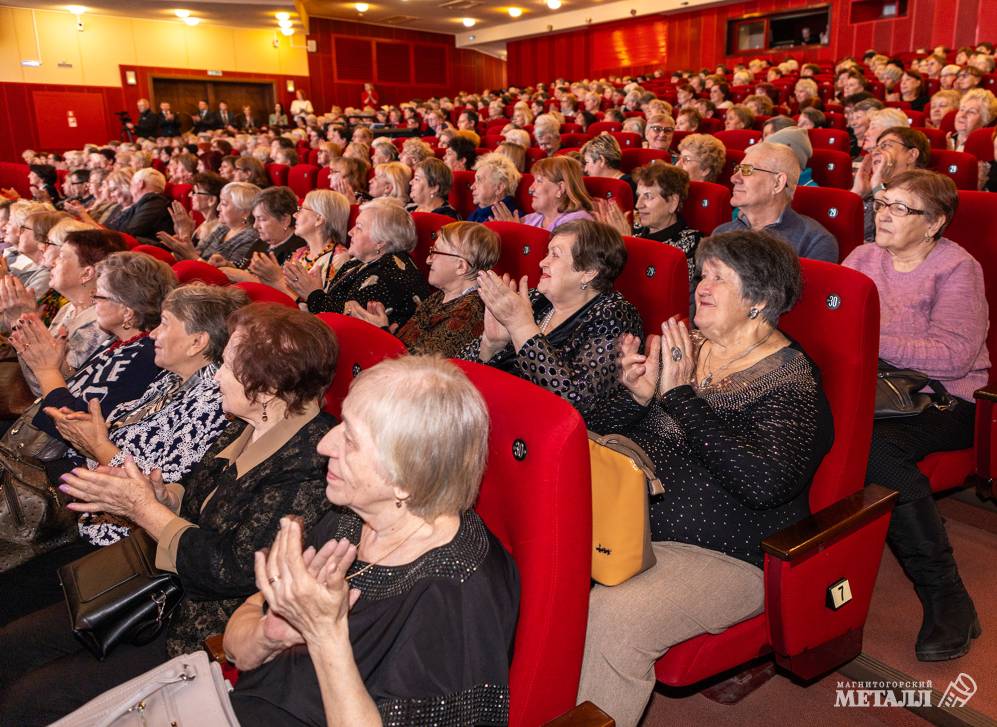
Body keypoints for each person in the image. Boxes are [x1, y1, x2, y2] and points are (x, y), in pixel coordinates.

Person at [0, 304, 339, 726]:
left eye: (229, 367)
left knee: (31, 701)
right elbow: (198, 495)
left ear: (266, 389)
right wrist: (160, 494)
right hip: (158, 586)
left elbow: (231, 569)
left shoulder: (309, 464)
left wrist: (143, 509)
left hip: (199, 625)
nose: (215, 376)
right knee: (12, 646)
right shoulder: (248, 422)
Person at [577, 230, 832, 726]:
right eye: (703, 273)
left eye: (719, 276)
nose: (701, 285)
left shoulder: (790, 381)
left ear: (758, 299)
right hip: (631, 525)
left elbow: (764, 485)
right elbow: (606, 427)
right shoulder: (689, 346)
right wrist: (635, 394)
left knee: (613, 620)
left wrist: (679, 400)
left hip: (727, 554)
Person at [220, 355, 518, 725]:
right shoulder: (350, 520)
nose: (325, 444)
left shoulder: (456, 593)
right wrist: (271, 634)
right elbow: (237, 646)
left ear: (405, 480)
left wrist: (325, 635)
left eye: (351, 438)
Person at [0, 284, 250, 625]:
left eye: (164, 324)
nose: (154, 334)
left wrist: (97, 444)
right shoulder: (173, 380)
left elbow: (156, 485)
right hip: (87, 510)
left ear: (198, 342)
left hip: (119, 543)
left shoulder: (212, 402)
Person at [843, 170, 987, 662]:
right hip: (872, 391)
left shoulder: (957, 268)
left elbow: (954, 357)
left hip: (944, 399)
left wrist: (868, 334)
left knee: (874, 451)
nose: (883, 214)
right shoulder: (863, 256)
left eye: (900, 208)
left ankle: (946, 594)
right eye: (882, 202)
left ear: (934, 224)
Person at [460, 220, 642, 424]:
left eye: (555, 254)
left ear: (588, 272)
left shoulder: (614, 315)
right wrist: (490, 345)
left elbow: (574, 402)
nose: (542, 262)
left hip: (549, 435)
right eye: (547, 253)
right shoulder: (538, 300)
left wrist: (521, 327)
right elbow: (459, 368)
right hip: (493, 412)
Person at [346, 221, 500, 357]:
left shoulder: (469, 312)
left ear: (460, 266)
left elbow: (419, 369)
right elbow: (405, 345)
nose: (428, 260)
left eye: (435, 252)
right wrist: (384, 331)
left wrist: (380, 332)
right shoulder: (440, 296)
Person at [6, 229, 126, 398]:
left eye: (62, 256)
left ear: (86, 273)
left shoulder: (99, 323)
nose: (53, 262)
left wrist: (20, 322)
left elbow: (45, 388)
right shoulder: (69, 308)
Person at [286, 198, 431, 327]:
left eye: (359, 227)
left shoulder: (388, 274)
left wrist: (313, 294)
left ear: (380, 242)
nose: (350, 232)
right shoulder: (358, 261)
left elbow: (348, 325)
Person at [713, 142, 837, 262]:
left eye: (747, 170)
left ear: (778, 183)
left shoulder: (814, 242)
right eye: (737, 169)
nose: (734, 178)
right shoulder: (721, 233)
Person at [595, 163, 702, 290]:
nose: (638, 205)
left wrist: (627, 245)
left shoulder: (692, 244)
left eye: (648, 197)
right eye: (638, 196)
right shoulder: (634, 228)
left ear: (673, 202)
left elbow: (658, 293)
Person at [250, 189, 351, 297]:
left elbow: (318, 308)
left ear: (319, 219)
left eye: (301, 210)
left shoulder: (338, 259)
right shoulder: (301, 253)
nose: (294, 215)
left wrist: (277, 279)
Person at [852, 127, 931, 240]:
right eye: (875, 147)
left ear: (912, 155)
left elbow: (894, 240)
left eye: (885, 146)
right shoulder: (871, 189)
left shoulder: (925, 191)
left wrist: (877, 188)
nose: (875, 152)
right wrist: (856, 193)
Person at [495, 157, 594, 231]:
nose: (530, 188)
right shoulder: (530, 219)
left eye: (539, 181)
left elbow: (556, 256)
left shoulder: (579, 222)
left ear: (560, 188)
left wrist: (517, 233)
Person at [174, 181, 260, 267]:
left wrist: (190, 255)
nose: (218, 208)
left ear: (245, 212)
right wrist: (179, 247)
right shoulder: (223, 228)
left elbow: (229, 275)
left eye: (224, 204)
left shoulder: (251, 238)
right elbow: (196, 253)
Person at [156, 171, 225, 255]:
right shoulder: (206, 223)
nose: (190, 195)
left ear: (211, 200)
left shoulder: (217, 229)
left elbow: (195, 259)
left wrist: (184, 233)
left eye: (194, 192)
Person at [103, 167, 174, 243]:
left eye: (132, 184)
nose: (130, 189)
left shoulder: (154, 201)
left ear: (140, 184)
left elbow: (131, 231)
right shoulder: (148, 202)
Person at [468, 153, 522, 223]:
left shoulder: (514, 218)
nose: (472, 187)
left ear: (499, 188)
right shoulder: (477, 213)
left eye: (479, 180)